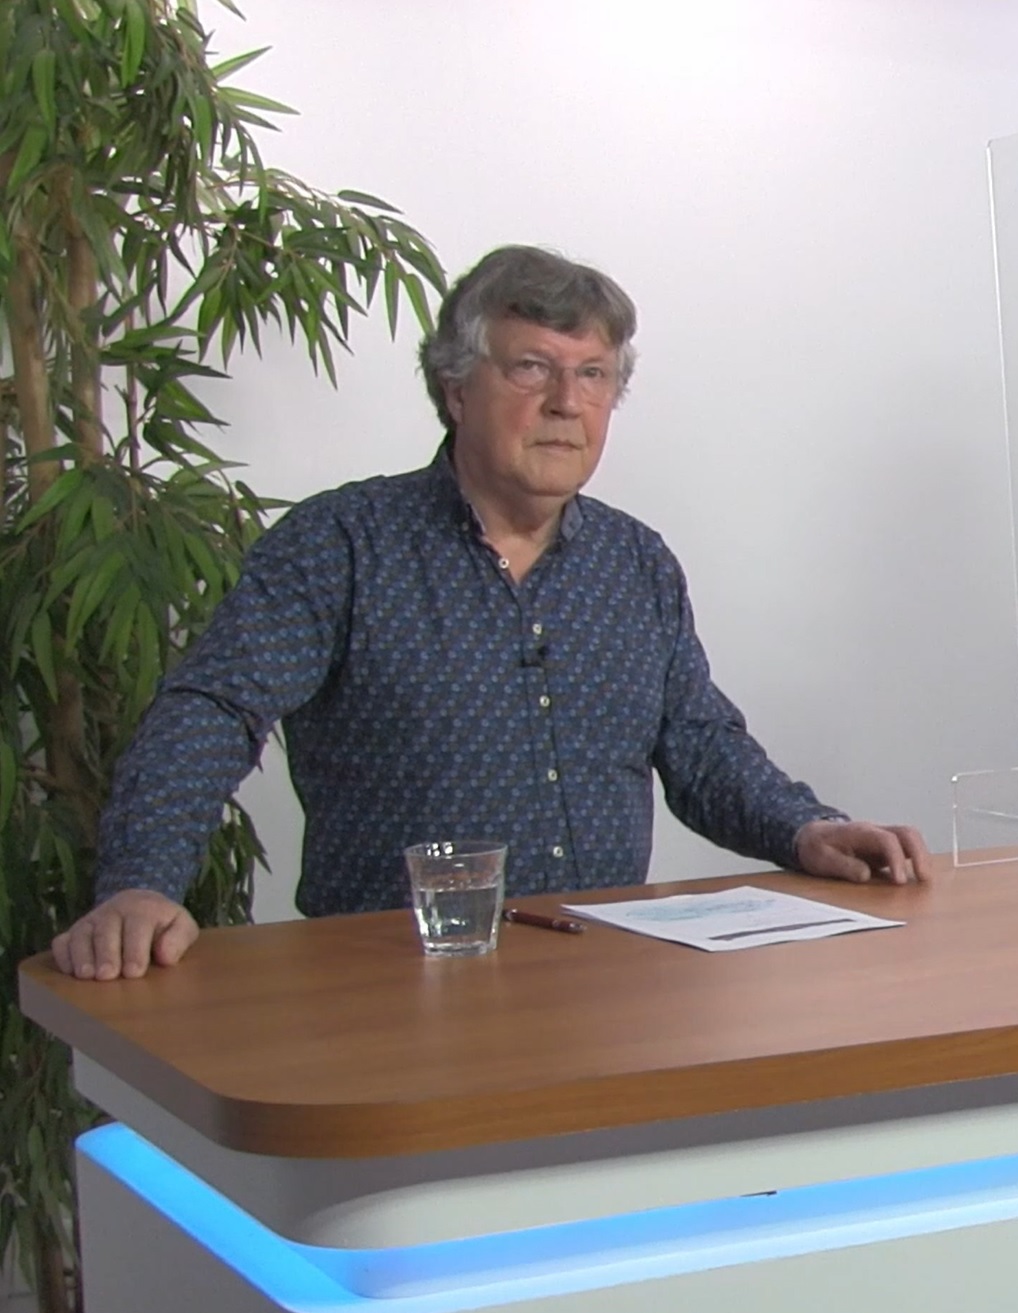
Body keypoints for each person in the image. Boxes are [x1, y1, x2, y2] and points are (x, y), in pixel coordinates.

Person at [53, 247, 928, 980]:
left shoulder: (636, 563)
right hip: (387, 989)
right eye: (531, 368)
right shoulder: (341, 545)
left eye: (593, 376)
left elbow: (701, 745)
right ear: (455, 389)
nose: (566, 402)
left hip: (605, 983)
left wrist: (805, 827)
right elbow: (213, 709)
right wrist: (141, 883)